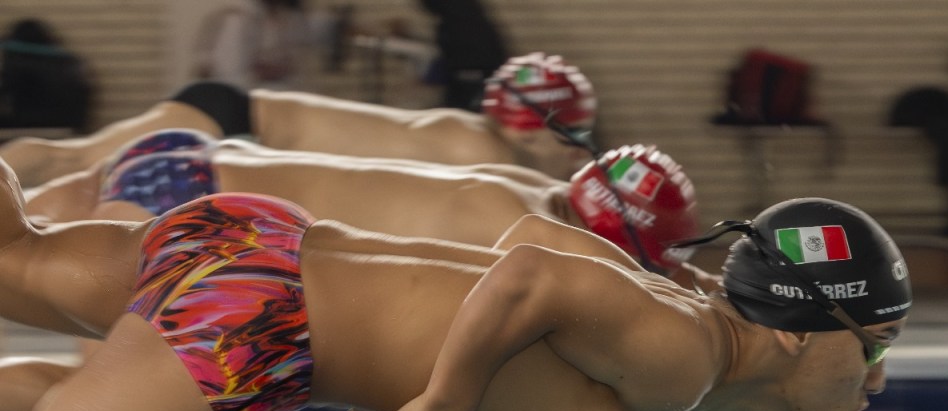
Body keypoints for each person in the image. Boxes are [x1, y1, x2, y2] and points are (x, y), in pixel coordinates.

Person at [0, 154, 911, 411]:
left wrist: (416, 382)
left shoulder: (673, 307)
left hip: (256, 245)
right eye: (875, 346)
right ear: (801, 327)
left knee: (15, 253)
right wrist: (438, 407)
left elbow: (522, 248)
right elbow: (528, 275)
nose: (877, 378)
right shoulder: (684, 355)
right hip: (255, 322)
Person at [22, 129, 708, 287]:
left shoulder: (511, 182)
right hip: (193, 207)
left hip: (181, 156)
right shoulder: (513, 231)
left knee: (15, 227)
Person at [0, 51, 596, 188]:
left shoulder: (467, 135)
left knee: (79, 167)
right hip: (234, 122)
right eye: (570, 135)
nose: (575, 150)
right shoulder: (479, 154)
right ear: (528, 126)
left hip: (241, 128)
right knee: (74, 160)